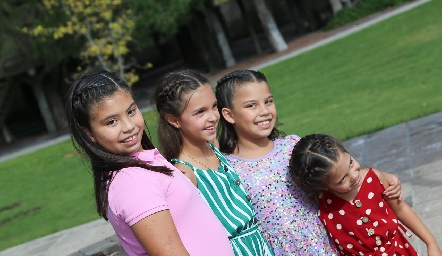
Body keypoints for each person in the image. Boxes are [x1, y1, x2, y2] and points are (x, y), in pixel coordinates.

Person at [215, 69, 403, 255]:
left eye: (268, 101)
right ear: (229, 115)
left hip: (328, 242)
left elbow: (339, 176)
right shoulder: (227, 169)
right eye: (251, 105)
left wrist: (384, 179)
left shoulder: (293, 147)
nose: (264, 111)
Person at [64, 69, 234, 256]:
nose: (129, 126)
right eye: (111, 122)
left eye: (131, 111)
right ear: (88, 133)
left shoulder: (141, 164)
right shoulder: (134, 182)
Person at [153, 69, 274, 256]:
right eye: (200, 112)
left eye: (214, 106)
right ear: (173, 120)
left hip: (261, 246)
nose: (213, 117)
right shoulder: (184, 173)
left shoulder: (214, 147)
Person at [289, 133, 442, 255]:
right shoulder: (322, 201)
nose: (354, 176)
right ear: (322, 186)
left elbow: (401, 209)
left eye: (350, 163)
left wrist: (431, 242)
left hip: (398, 251)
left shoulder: (374, 178)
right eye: (342, 179)